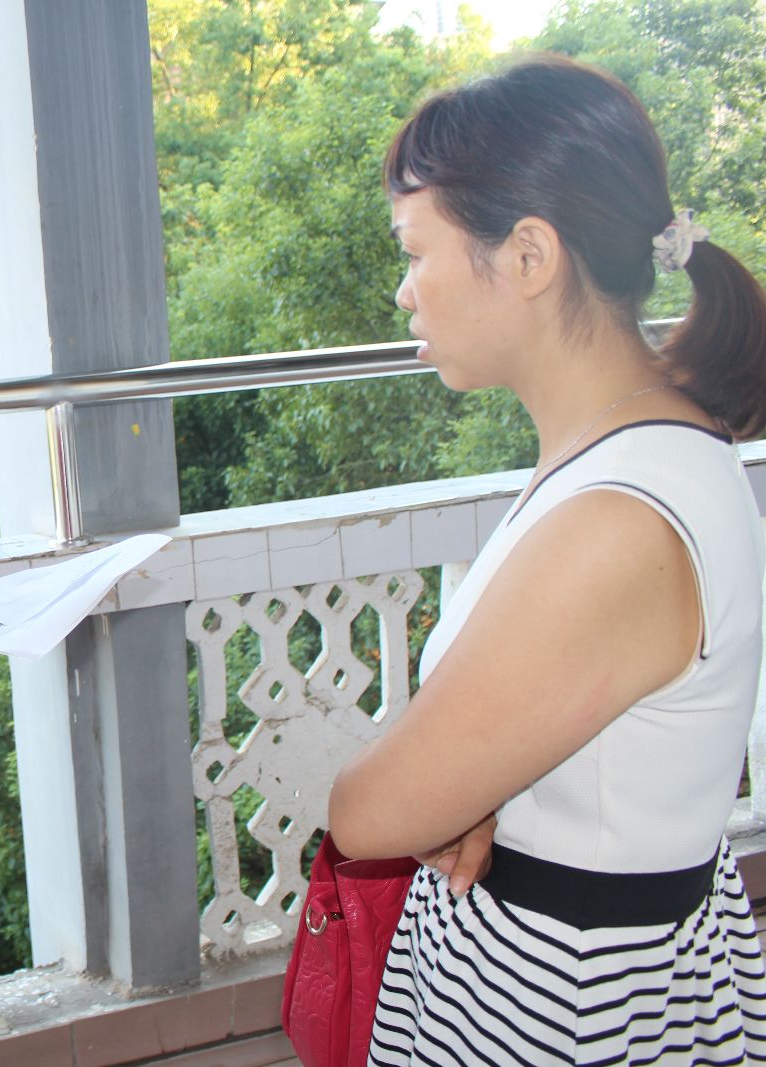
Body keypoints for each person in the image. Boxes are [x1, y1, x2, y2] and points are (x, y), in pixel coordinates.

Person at [327, 55, 766, 1065]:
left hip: (566, 995)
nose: (403, 291)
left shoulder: (616, 519)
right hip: (580, 957)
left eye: (415, 250)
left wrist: (444, 793)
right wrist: (474, 788)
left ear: (528, 255)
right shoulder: (641, 445)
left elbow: (368, 813)